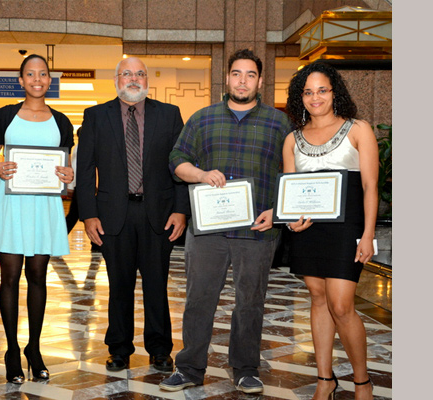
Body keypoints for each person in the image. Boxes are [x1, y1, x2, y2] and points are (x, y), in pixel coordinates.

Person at [158, 49, 290, 395]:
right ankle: (188, 368)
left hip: (258, 230)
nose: (242, 80)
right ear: (227, 78)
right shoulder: (202, 119)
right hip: (208, 231)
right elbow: (176, 160)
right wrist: (201, 174)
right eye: (236, 74)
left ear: (260, 81)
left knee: (250, 302)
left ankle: (245, 369)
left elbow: (291, 173)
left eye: (250, 75)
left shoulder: (279, 123)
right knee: (199, 299)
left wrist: (277, 212)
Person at [76, 56, 189, 373]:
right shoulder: (96, 116)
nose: (133, 79)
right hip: (113, 215)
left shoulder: (169, 115)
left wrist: (181, 210)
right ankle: (119, 349)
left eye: (140, 73)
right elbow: (84, 171)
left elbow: (180, 165)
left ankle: (159, 349)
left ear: (148, 80)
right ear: (116, 79)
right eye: (127, 73)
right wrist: (88, 215)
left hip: (159, 215)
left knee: (157, 286)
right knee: (119, 286)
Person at [282, 61, 377, 400]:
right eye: (307, 92)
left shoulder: (358, 129)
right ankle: (325, 379)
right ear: (300, 97)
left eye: (322, 90)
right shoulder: (292, 139)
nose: (315, 97)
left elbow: (369, 186)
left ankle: (362, 382)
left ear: (334, 92)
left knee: (341, 305)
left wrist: (367, 235)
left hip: (347, 229)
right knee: (318, 298)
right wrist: (292, 218)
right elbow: (290, 193)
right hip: (309, 232)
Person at [0, 54, 75, 384]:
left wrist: (68, 174)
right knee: (9, 277)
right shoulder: (3, 116)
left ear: (51, 80)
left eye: (43, 73)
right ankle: (10, 350)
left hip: (43, 205)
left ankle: (34, 349)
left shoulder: (62, 122)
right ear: (20, 81)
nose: (37, 78)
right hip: (9, 201)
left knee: (38, 275)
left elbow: (66, 168)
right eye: (30, 74)